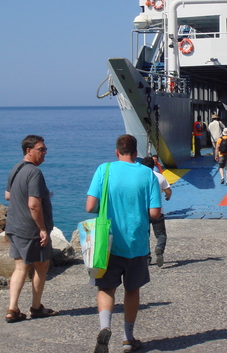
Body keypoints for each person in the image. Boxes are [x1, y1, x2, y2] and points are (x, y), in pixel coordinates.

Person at [86, 134, 161, 353]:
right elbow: (154, 213)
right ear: (136, 153)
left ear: (116, 152)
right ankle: (128, 338)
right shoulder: (148, 174)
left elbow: (90, 206)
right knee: (132, 289)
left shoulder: (104, 170)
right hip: (136, 243)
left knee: (106, 288)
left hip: (106, 244)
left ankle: (105, 327)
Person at [4, 134, 58, 323]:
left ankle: (12, 309)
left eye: (45, 150)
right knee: (41, 267)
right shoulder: (34, 173)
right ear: (29, 151)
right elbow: (34, 205)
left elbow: (8, 195)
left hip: (13, 226)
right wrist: (42, 229)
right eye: (41, 150)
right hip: (30, 229)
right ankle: (36, 307)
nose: (44, 154)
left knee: (20, 268)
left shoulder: (16, 168)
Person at [142, 156, 171, 267]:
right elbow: (168, 191)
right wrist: (168, 196)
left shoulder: (139, 178)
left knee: (145, 235)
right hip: (158, 210)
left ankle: (147, 258)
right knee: (161, 234)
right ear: (153, 165)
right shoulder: (160, 177)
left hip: (143, 211)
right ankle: (159, 248)